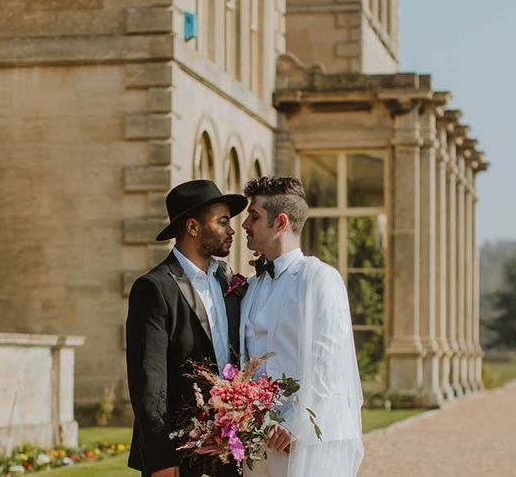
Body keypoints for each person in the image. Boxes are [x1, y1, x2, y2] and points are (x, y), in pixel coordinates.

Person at [240, 176, 364, 477]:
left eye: (254, 216)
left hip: (306, 440)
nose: (244, 224)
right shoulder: (252, 287)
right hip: (257, 440)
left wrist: (296, 424)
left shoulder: (320, 278)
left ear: (280, 222)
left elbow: (329, 360)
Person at [126, 179, 248, 477]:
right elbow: (147, 383)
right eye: (222, 222)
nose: (232, 230)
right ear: (193, 227)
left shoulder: (228, 281)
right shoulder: (154, 288)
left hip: (232, 450)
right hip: (178, 455)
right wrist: (161, 459)